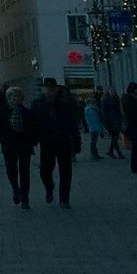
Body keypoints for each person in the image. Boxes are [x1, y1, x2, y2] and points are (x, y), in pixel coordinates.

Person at [30, 78, 82, 206]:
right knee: (45, 169)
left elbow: (72, 124)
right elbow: (33, 124)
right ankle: (49, 187)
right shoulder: (37, 104)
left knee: (66, 170)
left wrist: (77, 141)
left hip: (63, 140)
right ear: (44, 89)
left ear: (56, 89)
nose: (50, 91)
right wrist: (33, 139)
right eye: (48, 88)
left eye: (52, 89)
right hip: (46, 141)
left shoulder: (65, 104)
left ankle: (64, 198)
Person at [0, 86, 41, 209]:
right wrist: (3, 141)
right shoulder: (3, 112)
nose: (17, 99)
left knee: (24, 172)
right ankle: (16, 189)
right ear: (9, 98)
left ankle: (25, 198)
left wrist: (33, 141)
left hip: (24, 146)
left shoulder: (28, 113)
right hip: (9, 145)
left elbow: (35, 128)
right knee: (12, 170)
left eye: (19, 97)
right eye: (14, 96)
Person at [100, 85, 125, 160]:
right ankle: (117, 153)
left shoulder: (116, 98)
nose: (112, 92)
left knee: (115, 137)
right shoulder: (106, 100)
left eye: (113, 90)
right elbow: (104, 112)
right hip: (110, 121)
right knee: (115, 136)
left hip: (116, 120)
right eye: (111, 90)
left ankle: (113, 152)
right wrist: (105, 123)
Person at [83, 93, 105, 159]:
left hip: (94, 127)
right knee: (94, 141)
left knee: (94, 141)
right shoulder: (90, 110)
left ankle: (94, 153)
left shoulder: (90, 110)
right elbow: (95, 120)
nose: (95, 103)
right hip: (94, 127)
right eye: (94, 102)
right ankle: (94, 154)